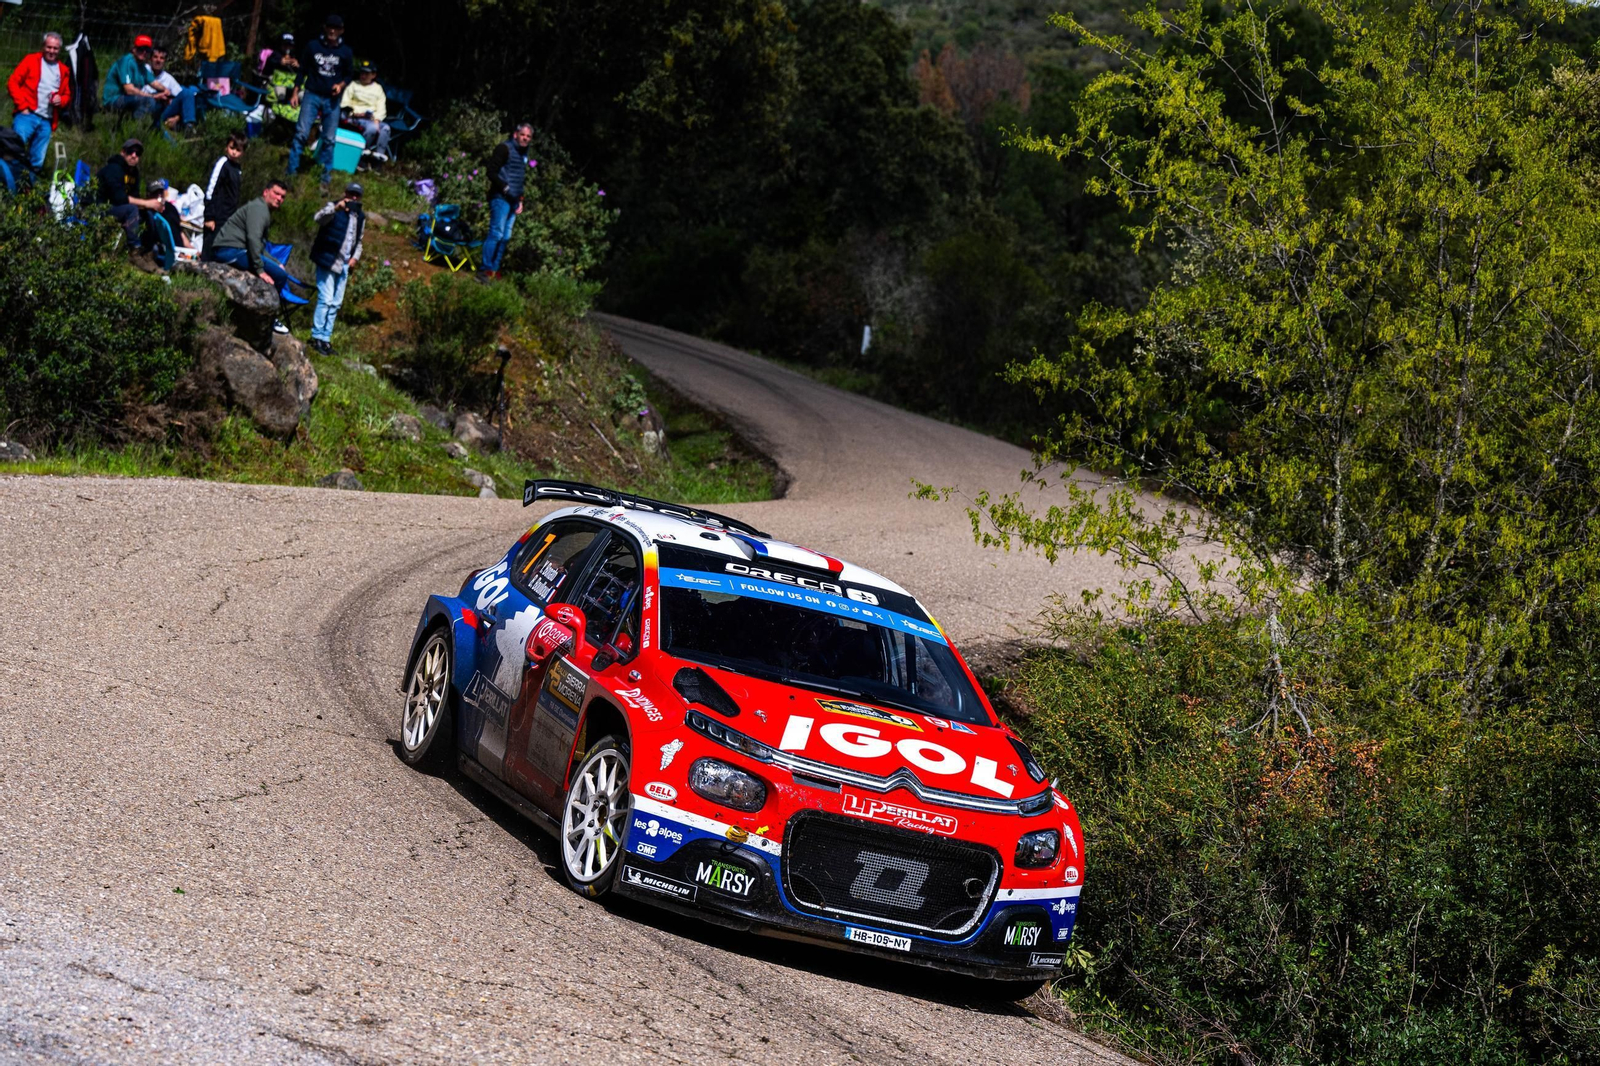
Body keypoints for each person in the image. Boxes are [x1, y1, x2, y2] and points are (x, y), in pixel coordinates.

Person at [287, 14, 353, 181]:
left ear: (341, 31)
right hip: (312, 94)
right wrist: (295, 92)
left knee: (329, 139)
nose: (332, 31)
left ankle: (324, 178)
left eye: (336, 28)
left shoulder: (345, 52)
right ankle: (291, 173)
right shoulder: (313, 46)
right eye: (329, 27)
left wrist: (340, 86)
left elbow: (349, 75)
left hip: (332, 99)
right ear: (324, 28)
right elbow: (302, 70)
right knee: (301, 134)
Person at [308, 182, 366, 355]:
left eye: (357, 195)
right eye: (351, 194)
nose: (353, 198)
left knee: (335, 304)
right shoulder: (334, 207)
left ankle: (326, 339)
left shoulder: (360, 216)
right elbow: (318, 218)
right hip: (328, 260)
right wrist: (336, 208)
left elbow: (359, 241)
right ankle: (316, 336)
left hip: (344, 264)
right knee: (325, 299)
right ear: (345, 193)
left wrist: (355, 258)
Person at [6, 31, 71, 176]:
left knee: (37, 160)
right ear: (43, 47)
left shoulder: (63, 70)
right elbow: (13, 82)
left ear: (59, 50)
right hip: (27, 115)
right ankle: (8, 186)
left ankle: (28, 190)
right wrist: (22, 106)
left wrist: (61, 100)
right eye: (49, 47)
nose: (51, 51)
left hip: (47, 120)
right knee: (15, 151)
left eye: (55, 48)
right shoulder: (31, 60)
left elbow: (67, 95)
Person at [212, 179, 292, 294]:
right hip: (229, 251)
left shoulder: (262, 209)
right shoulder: (259, 208)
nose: (279, 199)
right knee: (280, 276)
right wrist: (260, 271)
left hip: (232, 250)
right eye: (276, 193)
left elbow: (258, 246)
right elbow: (253, 239)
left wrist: (277, 263)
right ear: (266, 192)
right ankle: (265, 305)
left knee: (279, 271)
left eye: (282, 197)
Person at [479, 122, 532, 280]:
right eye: (523, 135)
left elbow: (519, 179)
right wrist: (504, 187)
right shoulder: (504, 148)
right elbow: (491, 172)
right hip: (500, 198)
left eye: (528, 136)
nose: (525, 138)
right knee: (496, 233)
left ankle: (493, 271)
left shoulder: (524, 153)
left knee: (506, 237)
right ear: (516, 134)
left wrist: (520, 199)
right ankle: (484, 270)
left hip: (514, 201)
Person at [95, 138, 163, 245]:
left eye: (138, 153)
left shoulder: (134, 173)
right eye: (130, 151)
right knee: (132, 210)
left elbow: (134, 196)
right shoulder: (114, 168)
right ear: (123, 152)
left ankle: (147, 251)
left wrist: (151, 205)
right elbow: (118, 197)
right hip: (101, 207)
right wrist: (146, 203)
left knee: (148, 214)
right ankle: (134, 248)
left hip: (117, 207)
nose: (134, 155)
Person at [201, 132, 245, 258]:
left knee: (219, 249)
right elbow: (211, 189)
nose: (234, 152)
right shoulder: (223, 163)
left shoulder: (237, 168)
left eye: (238, 150)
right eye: (232, 148)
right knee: (209, 248)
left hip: (228, 216)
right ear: (226, 147)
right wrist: (209, 216)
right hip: (216, 214)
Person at [102, 34, 161, 121]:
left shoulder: (141, 66)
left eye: (147, 50)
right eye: (141, 49)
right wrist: (152, 96)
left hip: (129, 98)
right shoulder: (126, 61)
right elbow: (129, 90)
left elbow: (154, 83)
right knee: (148, 101)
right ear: (134, 49)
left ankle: (156, 129)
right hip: (114, 99)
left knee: (159, 103)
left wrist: (165, 91)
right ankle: (136, 126)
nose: (144, 52)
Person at [339, 60, 389, 162]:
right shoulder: (353, 85)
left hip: (372, 118)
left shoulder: (378, 89)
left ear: (373, 75)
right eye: (362, 73)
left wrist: (377, 120)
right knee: (372, 129)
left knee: (386, 128)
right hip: (355, 116)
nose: (363, 76)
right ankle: (361, 154)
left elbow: (381, 107)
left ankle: (378, 157)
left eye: (367, 73)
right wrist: (355, 113)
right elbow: (345, 103)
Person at [144, 45, 203, 131]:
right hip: (145, 108)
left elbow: (182, 97)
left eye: (161, 58)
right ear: (150, 59)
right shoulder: (143, 70)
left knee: (187, 92)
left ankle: (189, 126)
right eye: (155, 57)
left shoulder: (168, 78)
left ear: (165, 61)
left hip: (161, 112)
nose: (158, 60)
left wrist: (177, 118)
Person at [263, 34, 301, 127]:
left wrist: (297, 65)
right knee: (281, 93)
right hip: (277, 85)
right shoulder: (274, 55)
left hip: (292, 86)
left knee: (302, 95)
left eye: (290, 45)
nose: (287, 47)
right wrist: (279, 61)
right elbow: (268, 68)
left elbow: (301, 73)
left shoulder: (294, 56)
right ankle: (277, 121)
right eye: (285, 45)